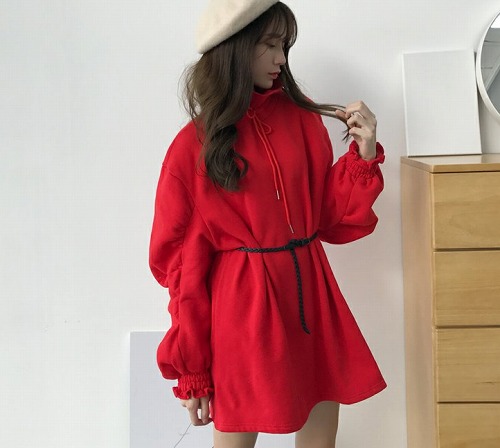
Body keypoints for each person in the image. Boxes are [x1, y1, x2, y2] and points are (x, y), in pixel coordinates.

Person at [149, 1, 386, 447]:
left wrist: (365, 154)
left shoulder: (305, 121)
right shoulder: (192, 148)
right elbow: (183, 269)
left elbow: (331, 221)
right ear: (235, 49)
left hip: (311, 294)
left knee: (321, 432)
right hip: (244, 308)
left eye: (285, 47)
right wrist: (193, 369)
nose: (281, 59)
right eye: (270, 45)